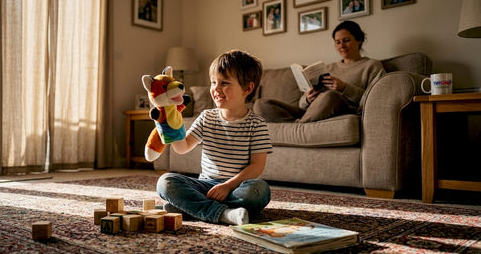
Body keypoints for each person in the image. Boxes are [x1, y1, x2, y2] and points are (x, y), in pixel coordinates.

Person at [157, 50, 273, 226]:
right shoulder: (206, 117)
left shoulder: (256, 123)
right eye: (213, 82)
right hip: (206, 187)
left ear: (247, 89)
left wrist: (227, 186)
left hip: (236, 187)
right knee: (165, 182)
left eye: (224, 83)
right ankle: (224, 214)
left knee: (260, 190)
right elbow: (182, 147)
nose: (215, 89)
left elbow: (257, 166)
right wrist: (169, 124)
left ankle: (191, 207)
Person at [253, 20, 385, 123]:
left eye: (346, 40)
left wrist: (344, 88)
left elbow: (377, 99)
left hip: (340, 109)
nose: (342, 46)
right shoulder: (329, 68)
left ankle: (299, 126)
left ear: (359, 39)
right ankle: (300, 125)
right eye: (337, 42)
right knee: (261, 104)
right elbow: (301, 104)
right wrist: (308, 99)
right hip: (312, 112)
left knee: (331, 96)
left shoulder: (371, 66)